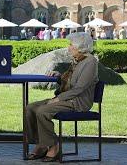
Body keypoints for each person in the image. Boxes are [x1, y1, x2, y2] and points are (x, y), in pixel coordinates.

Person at [26, 32, 99, 162]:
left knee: (42, 111)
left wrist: (58, 99)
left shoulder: (90, 62)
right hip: (67, 98)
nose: (69, 47)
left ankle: (53, 146)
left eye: (71, 45)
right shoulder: (77, 60)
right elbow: (70, 81)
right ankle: (42, 144)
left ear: (81, 47)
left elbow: (79, 88)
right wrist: (59, 76)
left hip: (77, 102)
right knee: (30, 108)